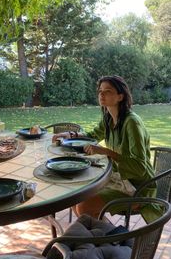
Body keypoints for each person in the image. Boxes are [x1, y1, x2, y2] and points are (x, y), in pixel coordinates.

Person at [52, 75, 156, 218]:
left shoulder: (132, 123)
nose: (101, 94)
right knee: (75, 198)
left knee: (84, 207)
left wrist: (106, 151)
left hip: (137, 187)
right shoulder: (108, 117)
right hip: (117, 178)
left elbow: (140, 167)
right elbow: (93, 135)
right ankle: (106, 235)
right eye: (100, 91)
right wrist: (70, 135)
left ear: (120, 96)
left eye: (107, 91)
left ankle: (108, 236)